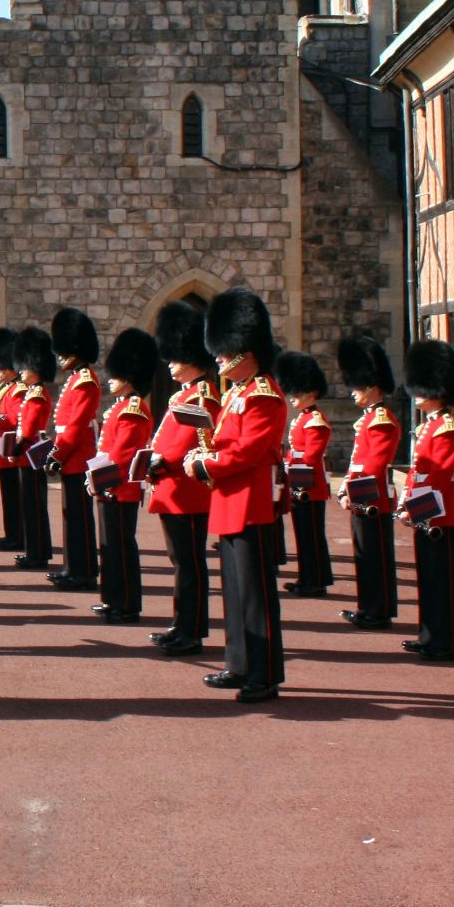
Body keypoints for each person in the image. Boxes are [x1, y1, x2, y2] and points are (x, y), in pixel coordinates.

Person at [185, 288, 288, 703]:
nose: (220, 360)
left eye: (226, 354)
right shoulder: (237, 395)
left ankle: (264, 675)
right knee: (233, 589)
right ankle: (239, 662)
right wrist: (203, 452)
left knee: (256, 594)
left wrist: (207, 464)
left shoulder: (263, 395)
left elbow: (248, 451)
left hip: (251, 500)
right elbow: (229, 444)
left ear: (248, 351)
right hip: (230, 500)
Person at [145, 301, 221, 657]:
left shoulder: (203, 394)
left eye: (177, 358)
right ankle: (181, 624)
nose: (171, 364)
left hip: (187, 489)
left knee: (190, 563)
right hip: (173, 487)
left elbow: (192, 441)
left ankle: (191, 631)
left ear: (193, 358)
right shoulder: (185, 394)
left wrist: (161, 461)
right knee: (181, 563)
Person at [399, 339, 454, 663]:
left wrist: (414, 507)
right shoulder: (429, 427)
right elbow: (417, 472)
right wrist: (407, 502)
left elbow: (439, 477)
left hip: (441, 515)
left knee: (442, 581)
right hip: (425, 512)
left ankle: (447, 640)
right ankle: (429, 635)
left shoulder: (447, 428)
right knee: (428, 578)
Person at [90, 328, 157, 624]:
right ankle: (112, 597)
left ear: (129, 378)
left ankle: (127, 603)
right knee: (109, 547)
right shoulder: (121, 407)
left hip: (119, 487)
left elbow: (123, 455)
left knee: (121, 547)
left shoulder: (133, 409)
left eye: (116, 376)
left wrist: (100, 481)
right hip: (108, 485)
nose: (110, 381)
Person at [336, 335, 400, 631]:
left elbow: (375, 465)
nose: (353, 393)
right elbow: (358, 461)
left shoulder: (382, 420)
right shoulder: (367, 420)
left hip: (372, 498)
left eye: (357, 387)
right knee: (364, 554)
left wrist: (354, 491)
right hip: (362, 496)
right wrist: (345, 487)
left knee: (376, 556)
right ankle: (368, 606)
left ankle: (380, 609)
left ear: (372, 388)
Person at [44, 307, 101, 591]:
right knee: (71, 515)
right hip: (70, 455)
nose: (60, 357)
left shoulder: (86, 381)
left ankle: (85, 571)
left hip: (78, 457)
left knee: (80, 517)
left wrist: (59, 453)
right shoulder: (75, 380)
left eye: (65, 351)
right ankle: (73, 566)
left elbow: (76, 426)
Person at [275, 350, 334, 597]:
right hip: (299, 483)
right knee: (303, 535)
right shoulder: (303, 418)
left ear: (312, 394)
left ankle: (316, 580)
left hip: (309, 486)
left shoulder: (316, 421)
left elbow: (311, 456)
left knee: (312, 536)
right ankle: (307, 576)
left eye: (298, 394)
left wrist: (290, 467)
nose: (293, 398)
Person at [12, 326, 56, 570]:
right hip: (28, 454)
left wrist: (17, 446)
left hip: (32, 453)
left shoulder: (38, 394)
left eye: (25, 367)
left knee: (35, 506)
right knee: (30, 505)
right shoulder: (32, 392)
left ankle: (38, 554)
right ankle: (34, 550)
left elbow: (29, 428)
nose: (21, 371)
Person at [0, 326, 26, 551]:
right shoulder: (7, 389)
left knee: (15, 498)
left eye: (1, 366)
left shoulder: (18, 389)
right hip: (5, 449)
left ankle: (18, 536)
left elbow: (17, 419)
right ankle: (11, 533)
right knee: (8, 497)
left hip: (14, 452)